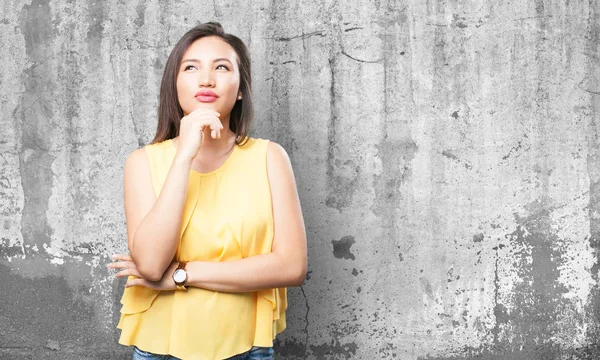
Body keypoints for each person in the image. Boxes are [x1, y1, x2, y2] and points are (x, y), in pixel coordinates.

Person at [108, 22, 307, 360]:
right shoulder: (142, 162)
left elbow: (291, 267)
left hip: (246, 348)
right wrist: (184, 156)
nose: (206, 80)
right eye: (191, 67)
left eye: (221, 67)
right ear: (175, 84)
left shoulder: (270, 157)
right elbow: (153, 266)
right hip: (159, 350)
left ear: (240, 89)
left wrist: (184, 274)